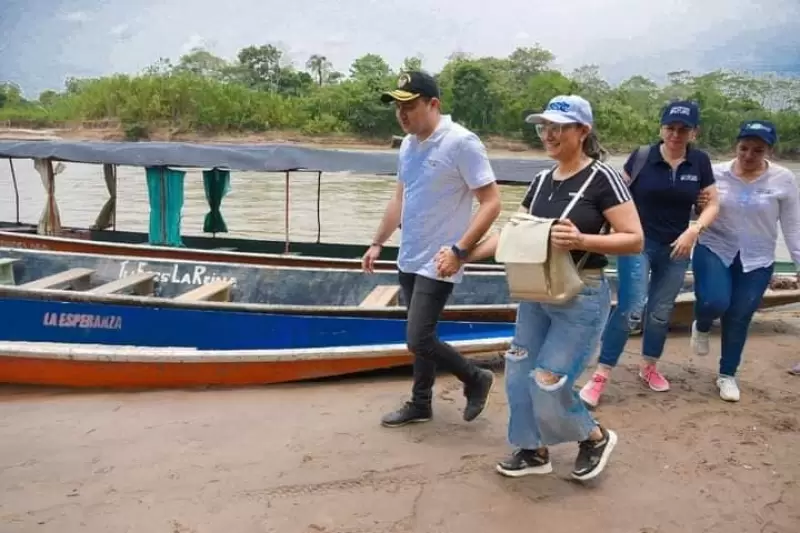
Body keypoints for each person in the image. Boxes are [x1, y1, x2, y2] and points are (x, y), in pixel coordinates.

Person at [462, 95, 643, 481]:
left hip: (582, 295)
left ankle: (593, 436)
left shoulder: (602, 178)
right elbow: (515, 230)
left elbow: (634, 239)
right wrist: (464, 254)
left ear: (583, 131)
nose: (549, 134)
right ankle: (532, 450)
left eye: (559, 127)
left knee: (548, 381)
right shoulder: (543, 180)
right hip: (536, 292)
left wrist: (583, 241)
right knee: (517, 374)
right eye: (545, 126)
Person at [362, 70, 502, 428]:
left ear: (433, 104)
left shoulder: (462, 143)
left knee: (418, 337)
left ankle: (475, 377)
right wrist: (378, 242)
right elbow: (400, 198)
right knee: (422, 336)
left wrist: (460, 251)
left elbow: (491, 202)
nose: (402, 114)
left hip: (441, 259)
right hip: (409, 254)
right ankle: (421, 402)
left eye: (409, 106)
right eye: (397, 107)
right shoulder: (408, 145)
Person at [579, 100, 720, 408]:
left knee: (659, 312)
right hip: (637, 244)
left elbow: (712, 203)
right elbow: (615, 195)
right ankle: (601, 374)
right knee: (631, 307)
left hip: (677, 247)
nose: (676, 134)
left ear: (694, 132)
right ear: (661, 128)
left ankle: (649, 366)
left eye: (684, 129)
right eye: (670, 127)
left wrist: (694, 230)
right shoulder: (642, 157)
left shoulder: (699, 162)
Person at [691, 120, 800, 401]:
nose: (749, 156)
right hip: (715, 247)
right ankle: (702, 324)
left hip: (757, 258)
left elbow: (792, 226)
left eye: (757, 150)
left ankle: (727, 375)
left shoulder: (783, 179)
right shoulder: (715, 174)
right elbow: (695, 214)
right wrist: (696, 209)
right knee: (714, 301)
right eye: (744, 148)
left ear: (769, 151)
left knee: (739, 317)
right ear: (735, 147)